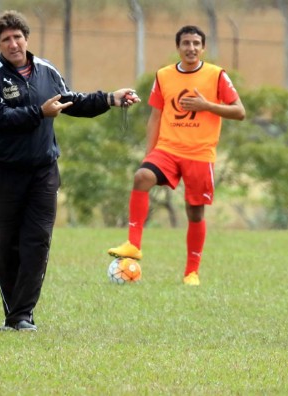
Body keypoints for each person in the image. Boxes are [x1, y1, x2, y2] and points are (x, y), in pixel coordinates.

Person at [0, 10, 140, 332]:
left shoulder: (46, 70)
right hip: (7, 172)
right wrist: (39, 112)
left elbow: (72, 102)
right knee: (9, 245)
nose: (13, 43)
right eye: (5, 39)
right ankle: (14, 314)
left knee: (37, 242)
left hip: (44, 171)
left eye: (17, 37)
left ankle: (22, 317)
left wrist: (110, 98)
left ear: (26, 38)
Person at [107, 25, 245, 286]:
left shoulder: (217, 75)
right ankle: (133, 245)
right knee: (141, 177)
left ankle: (191, 272)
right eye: (186, 43)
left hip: (200, 154)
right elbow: (155, 116)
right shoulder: (163, 76)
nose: (191, 48)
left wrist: (206, 106)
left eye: (196, 43)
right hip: (168, 149)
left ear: (203, 47)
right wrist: (149, 155)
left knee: (195, 213)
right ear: (178, 48)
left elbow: (240, 111)